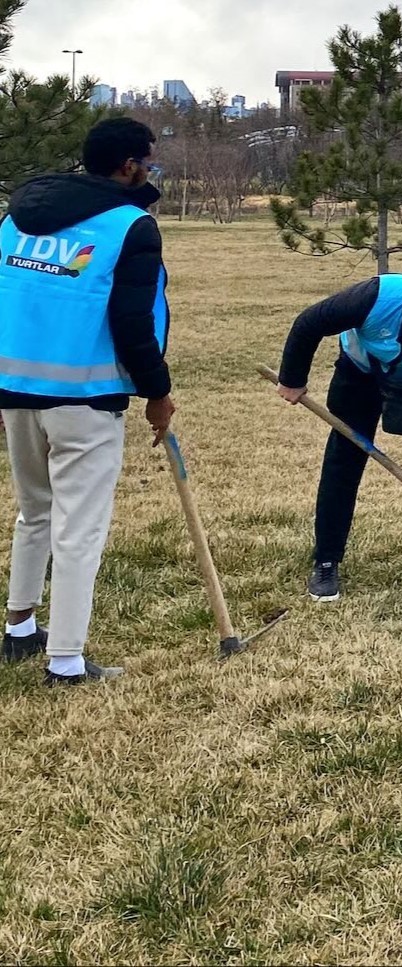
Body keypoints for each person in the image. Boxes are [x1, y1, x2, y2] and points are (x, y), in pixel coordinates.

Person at [0, 117, 176, 686]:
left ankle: (20, 628)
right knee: (79, 530)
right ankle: (67, 661)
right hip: (86, 399)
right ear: (128, 165)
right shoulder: (130, 227)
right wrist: (157, 391)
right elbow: (132, 323)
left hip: (14, 391)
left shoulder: (15, 217)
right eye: (148, 161)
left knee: (36, 511)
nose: (151, 169)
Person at [275, 276, 402, 601]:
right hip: (359, 375)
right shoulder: (372, 298)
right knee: (343, 463)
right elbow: (308, 324)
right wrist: (292, 378)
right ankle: (326, 561)